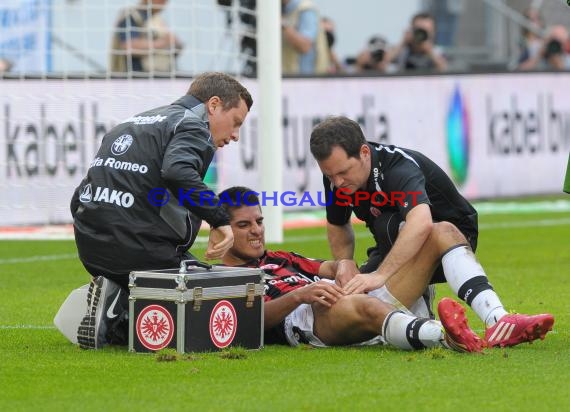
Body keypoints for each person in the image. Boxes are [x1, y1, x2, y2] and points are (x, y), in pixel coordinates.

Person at [309, 116, 554, 348]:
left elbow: (420, 222)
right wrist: (344, 262)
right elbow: (338, 223)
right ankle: (423, 323)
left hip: (454, 238)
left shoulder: (397, 167)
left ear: (364, 152)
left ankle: (497, 319)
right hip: (394, 243)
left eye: (343, 172)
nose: (338, 182)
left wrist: (380, 274)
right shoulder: (335, 179)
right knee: (355, 301)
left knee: (397, 226)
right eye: (329, 175)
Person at [69, 72, 253, 349]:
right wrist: (219, 219)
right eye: (236, 123)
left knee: (174, 286)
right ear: (213, 105)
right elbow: (178, 172)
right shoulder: (193, 126)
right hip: (141, 251)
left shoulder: (128, 124)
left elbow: (80, 194)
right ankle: (119, 311)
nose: (235, 135)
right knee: (217, 297)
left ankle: (116, 291)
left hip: (90, 247)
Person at [218, 186, 484, 352]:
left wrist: (344, 266)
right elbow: (249, 321)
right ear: (223, 230)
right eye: (244, 225)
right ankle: (442, 335)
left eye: (260, 221)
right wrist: (299, 295)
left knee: (441, 231)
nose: (256, 231)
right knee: (367, 306)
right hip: (304, 318)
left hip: (338, 296)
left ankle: (496, 318)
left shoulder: (280, 257)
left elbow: (331, 267)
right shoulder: (220, 277)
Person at [109, 0, 184, 74]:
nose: (164, 3)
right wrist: (163, 42)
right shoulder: (133, 17)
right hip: (137, 78)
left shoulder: (157, 20)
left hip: (161, 76)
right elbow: (129, 46)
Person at [382, 12, 447, 73]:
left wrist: (430, 51)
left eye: (426, 31)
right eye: (419, 31)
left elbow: (445, 71)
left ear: (433, 33)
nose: (421, 35)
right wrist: (402, 43)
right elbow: (382, 64)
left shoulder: (438, 52)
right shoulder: (402, 52)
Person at [281, 0, 330, 75]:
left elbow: (305, 46)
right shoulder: (284, 9)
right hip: (288, 77)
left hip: (305, 80)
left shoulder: (306, 9)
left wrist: (282, 23)